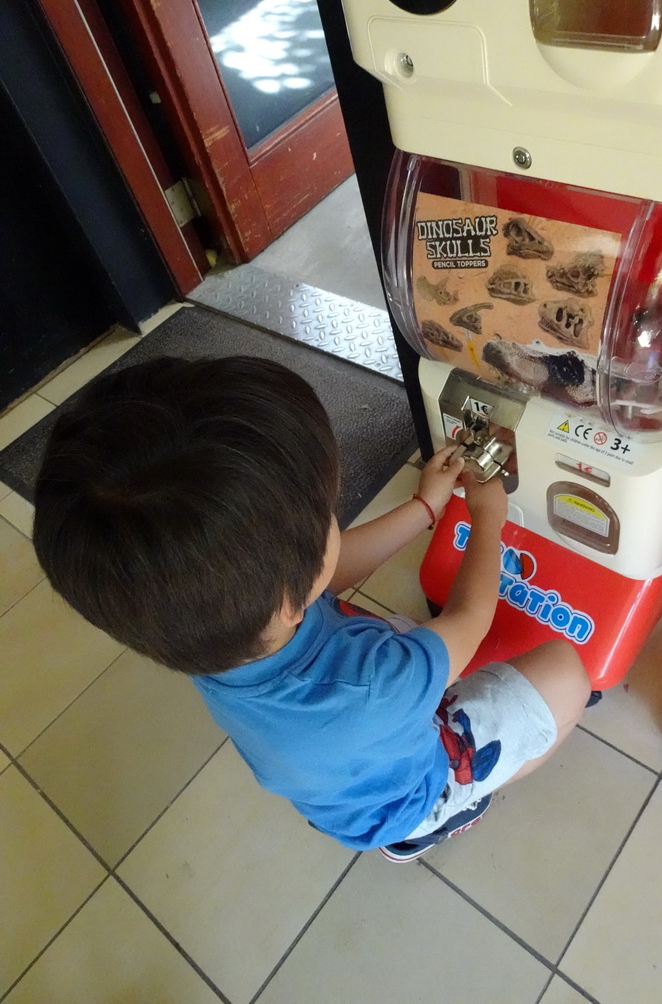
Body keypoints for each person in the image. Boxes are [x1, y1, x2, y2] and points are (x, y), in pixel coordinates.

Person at [32, 355, 591, 862]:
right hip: (413, 787)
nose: (334, 521)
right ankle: (437, 818)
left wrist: (426, 507)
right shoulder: (375, 683)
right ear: (287, 599)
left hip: (340, 784)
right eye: (328, 514)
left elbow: (322, 576)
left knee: (395, 650)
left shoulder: (203, 631)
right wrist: (487, 520)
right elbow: (467, 621)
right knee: (567, 673)